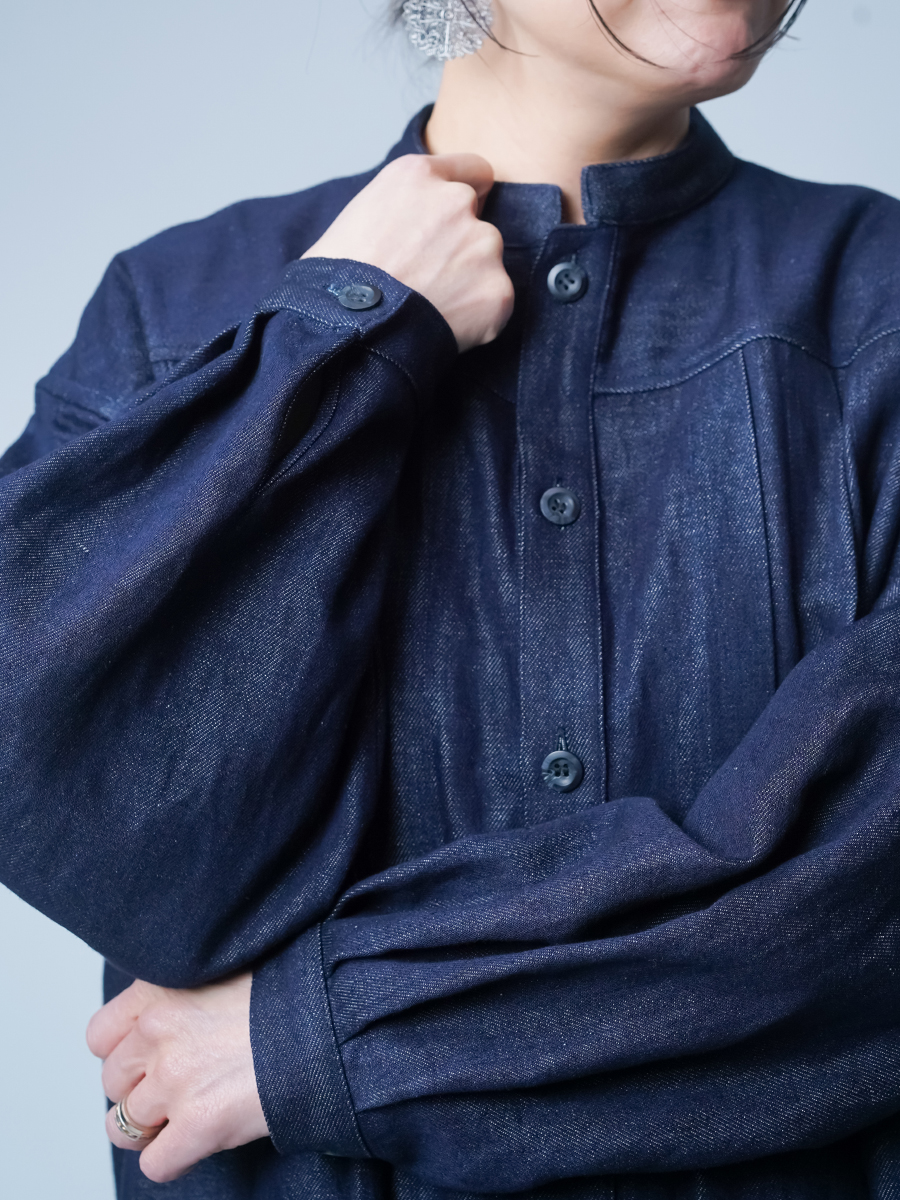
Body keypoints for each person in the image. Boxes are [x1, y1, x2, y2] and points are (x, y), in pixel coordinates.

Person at [2, 0, 900, 1195]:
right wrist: (341, 340)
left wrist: (317, 1043)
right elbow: (74, 802)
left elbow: (865, 909)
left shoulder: (880, 305)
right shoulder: (173, 314)